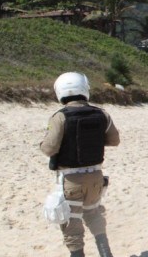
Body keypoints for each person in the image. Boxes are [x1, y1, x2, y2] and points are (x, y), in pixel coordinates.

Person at [40, 72, 120, 257]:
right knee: (94, 215)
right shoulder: (102, 114)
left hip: (71, 180)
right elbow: (114, 140)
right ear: (85, 89)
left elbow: (49, 148)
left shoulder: (59, 117)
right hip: (96, 177)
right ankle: (106, 253)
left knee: (71, 225)